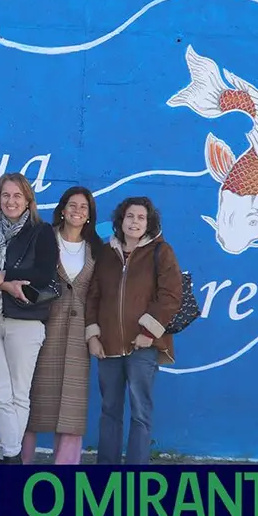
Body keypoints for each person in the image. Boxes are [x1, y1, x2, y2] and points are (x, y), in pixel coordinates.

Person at [0, 172, 58, 487]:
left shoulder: (42, 232)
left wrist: (4, 273)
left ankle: (9, 459)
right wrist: (6, 283)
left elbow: (44, 273)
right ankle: (14, 459)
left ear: (28, 200)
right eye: (5, 195)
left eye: (18, 195)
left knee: (19, 394)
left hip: (26, 320)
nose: (11, 201)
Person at [86, 196, 183, 465]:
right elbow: (93, 296)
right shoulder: (106, 253)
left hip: (144, 346)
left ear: (149, 222)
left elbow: (170, 295)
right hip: (109, 346)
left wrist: (149, 332)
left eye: (141, 217)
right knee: (109, 411)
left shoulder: (160, 252)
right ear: (121, 220)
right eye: (130, 216)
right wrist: (92, 335)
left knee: (141, 412)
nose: (135, 222)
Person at [24, 187, 100, 465]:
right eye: (72, 205)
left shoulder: (97, 248)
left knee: (72, 406)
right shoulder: (44, 238)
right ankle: (21, 461)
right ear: (62, 208)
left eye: (84, 207)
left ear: (90, 215)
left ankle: (65, 469)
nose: (77, 211)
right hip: (42, 326)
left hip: (79, 333)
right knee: (31, 399)